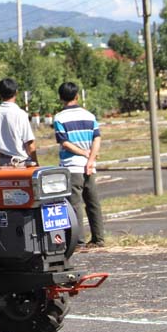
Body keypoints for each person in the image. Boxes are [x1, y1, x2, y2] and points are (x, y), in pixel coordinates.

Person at [54, 81, 104, 247]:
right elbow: (97, 138)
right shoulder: (89, 116)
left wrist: (83, 153)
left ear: (61, 98)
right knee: (93, 202)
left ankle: (79, 241)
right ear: (77, 96)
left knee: (74, 204)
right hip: (89, 166)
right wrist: (90, 160)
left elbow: (64, 142)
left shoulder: (60, 118)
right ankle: (98, 238)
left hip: (71, 166)